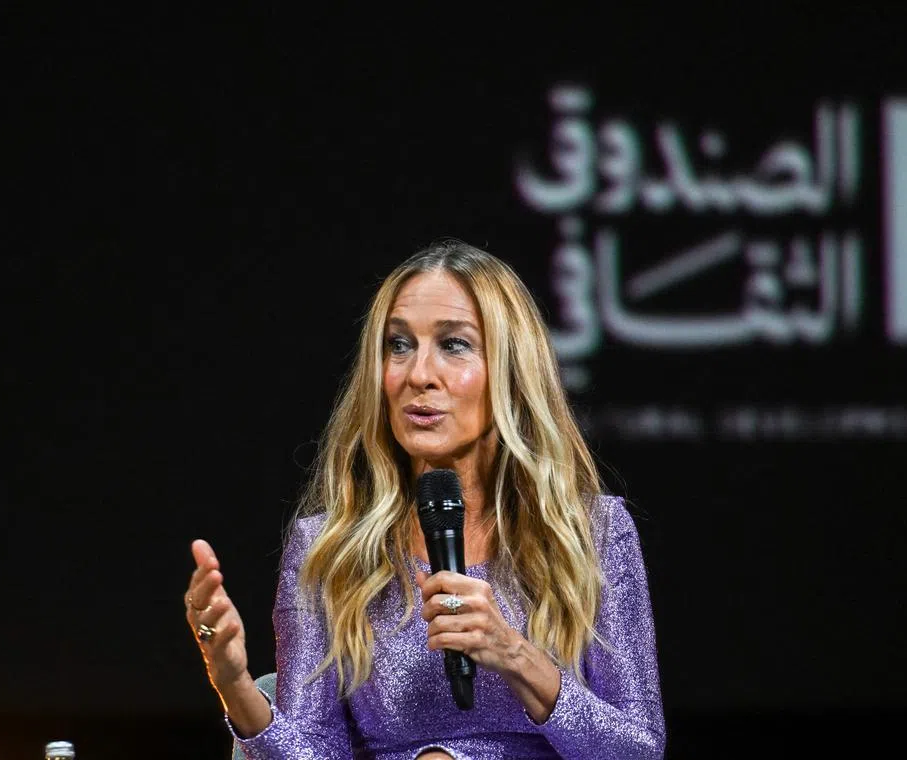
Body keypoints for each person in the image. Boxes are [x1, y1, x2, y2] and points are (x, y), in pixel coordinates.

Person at [183, 241, 665, 759]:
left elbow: (638, 750)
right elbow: (315, 750)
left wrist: (517, 657)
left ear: (510, 368)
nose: (418, 375)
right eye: (399, 345)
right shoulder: (329, 549)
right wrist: (235, 687)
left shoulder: (592, 533)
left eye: (454, 345)